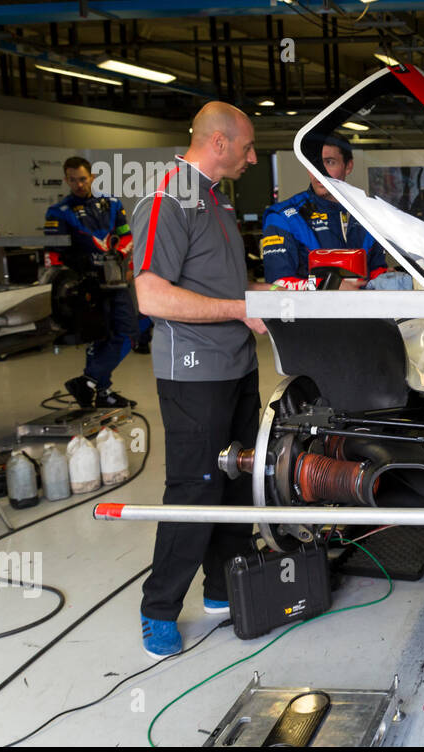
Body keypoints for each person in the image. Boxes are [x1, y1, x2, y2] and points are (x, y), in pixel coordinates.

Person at [129, 102, 269, 659]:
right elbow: (151, 295)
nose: (253, 157)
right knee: (195, 485)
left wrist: (259, 298)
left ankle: (221, 590)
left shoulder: (216, 198)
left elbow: (218, 280)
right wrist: (239, 308)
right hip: (193, 372)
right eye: (247, 147)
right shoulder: (168, 198)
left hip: (237, 364)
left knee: (237, 480)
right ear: (217, 143)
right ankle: (158, 608)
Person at [46, 156, 139, 408]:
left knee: (129, 332)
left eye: (82, 179)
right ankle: (102, 391)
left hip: (115, 280)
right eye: (73, 180)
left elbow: (126, 235)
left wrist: (124, 263)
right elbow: (53, 257)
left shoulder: (111, 204)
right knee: (99, 338)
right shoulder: (58, 212)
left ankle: (87, 382)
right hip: (85, 286)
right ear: (66, 180)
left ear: (92, 178)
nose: (78, 184)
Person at [261, 133, 387, 289]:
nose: (319, 171)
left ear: (348, 166)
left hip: (364, 311)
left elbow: (376, 270)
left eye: (329, 162)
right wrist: (330, 286)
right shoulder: (284, 217)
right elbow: (278, 283)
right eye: (314, 163)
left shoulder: (369, 214)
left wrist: (386, 279)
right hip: (312, 312)